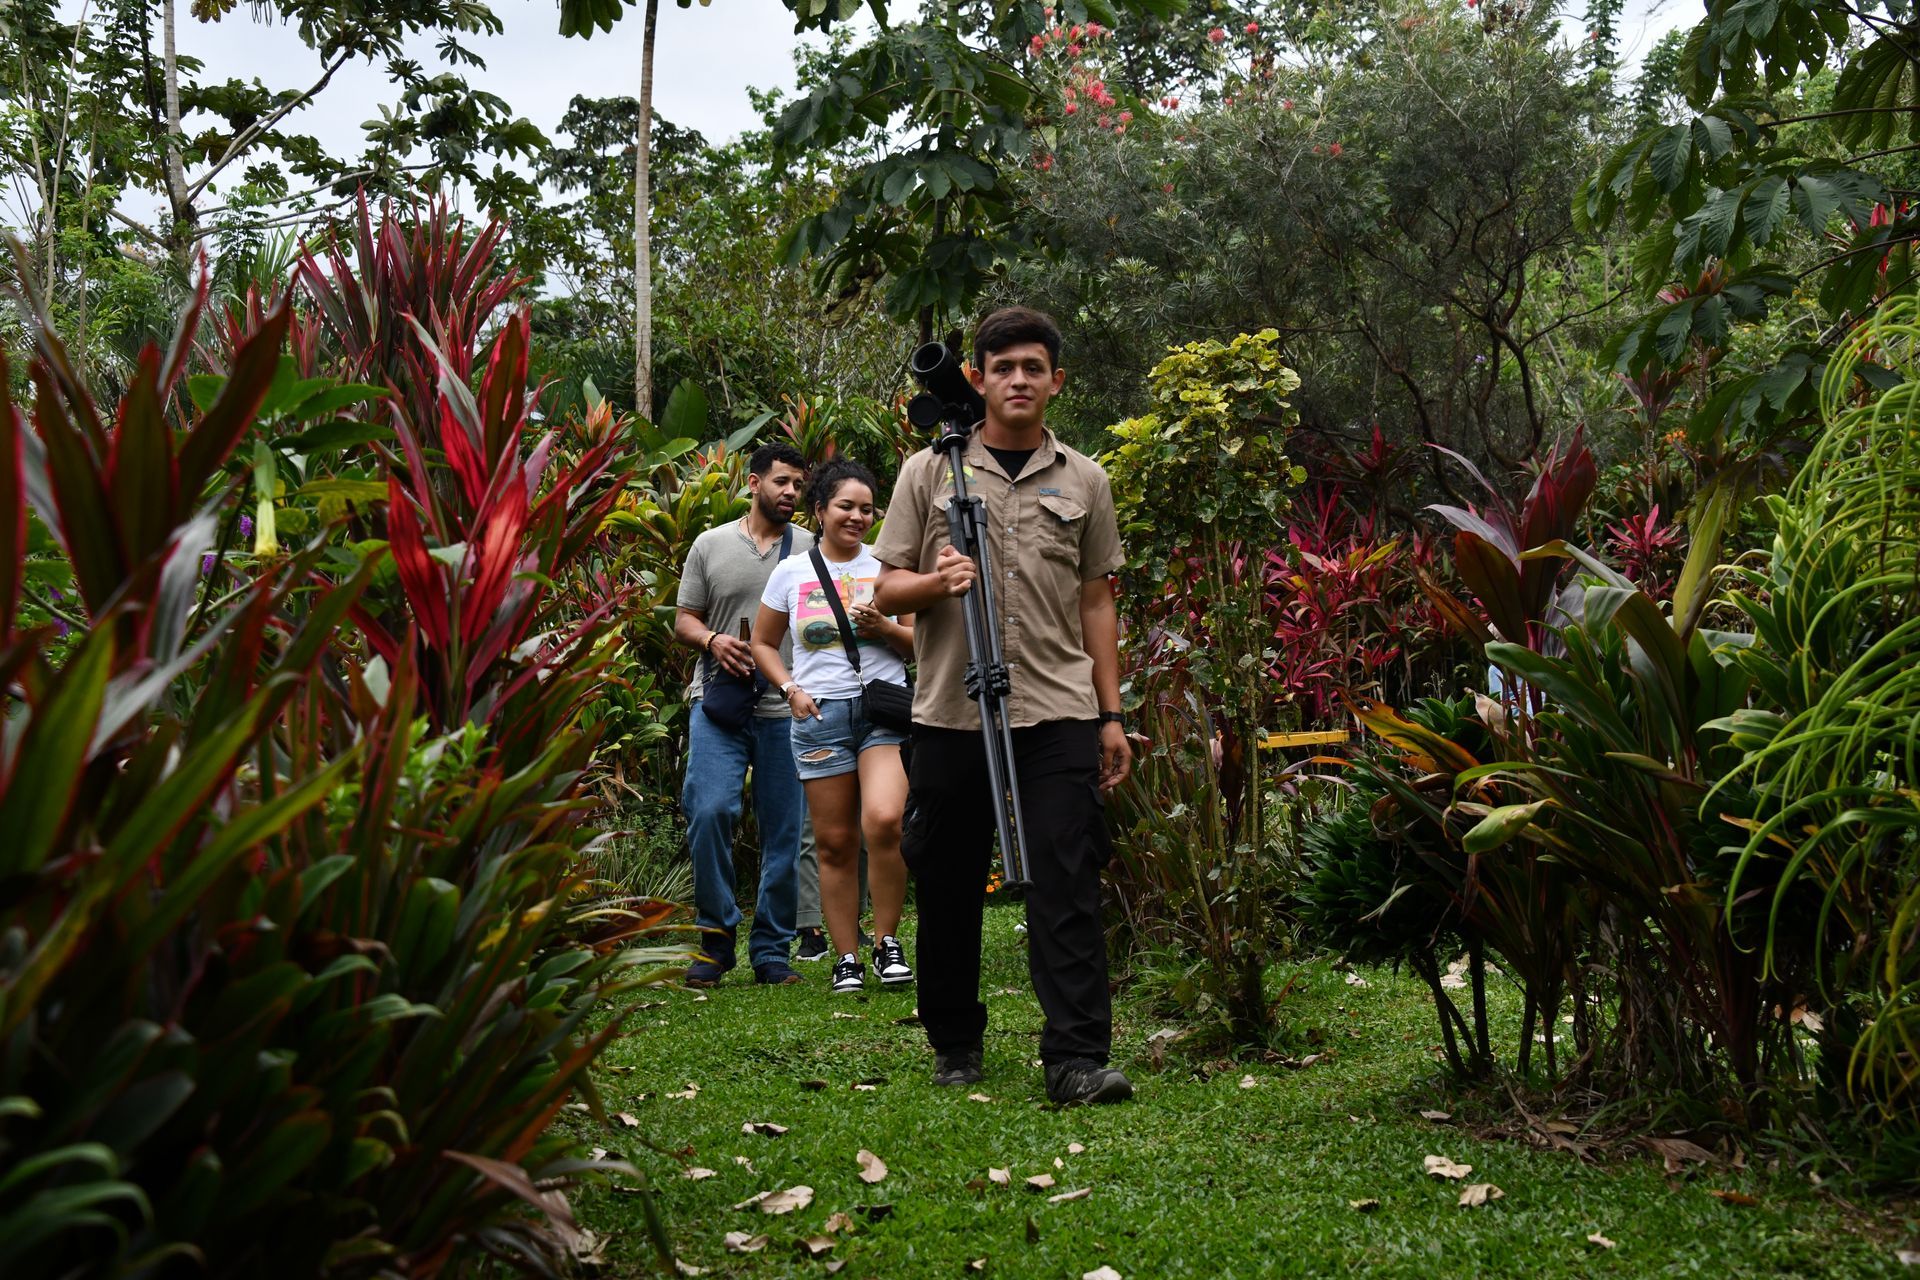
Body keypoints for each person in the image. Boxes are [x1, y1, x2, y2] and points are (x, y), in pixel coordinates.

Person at [873, 306, 1135, 1105]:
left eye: (1033, 367)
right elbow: (885, 586)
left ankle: (1076, 1058)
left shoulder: (1086, 478)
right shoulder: (930, 471)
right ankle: (955, 1040)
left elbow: (1098, 602)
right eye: (1002, 366)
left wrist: (1111, 712)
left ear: (1056, 381)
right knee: (948, 880)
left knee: (1068, 877)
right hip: (951, 707)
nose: (1018, 379)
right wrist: (935, 581)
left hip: (1057, 707)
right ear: (977, 378)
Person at [752, 459, 917, 995]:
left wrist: (885, 626)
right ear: (819, 510)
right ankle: (847, 956)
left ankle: (887, 940)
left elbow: (922, 644)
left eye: (867, 508)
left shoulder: (891, 567)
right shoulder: (791, 572)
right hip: (819, 714)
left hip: (881, 712)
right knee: (835, 842)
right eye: (846, 506)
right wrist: (789, 689)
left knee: (886, 821)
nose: (857, 517)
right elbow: (762, 643)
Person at [674, 442, 812, 987]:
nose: (791, 493)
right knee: (708, 811)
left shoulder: (811, 549)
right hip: (718, 703)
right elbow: (685, 619)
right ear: (753, 484)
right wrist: (712, 641)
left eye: (799, 485)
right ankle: (715, 938)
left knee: (784, 831)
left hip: (789, 709)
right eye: (781, 482)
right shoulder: (710, 545)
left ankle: (772, 950)